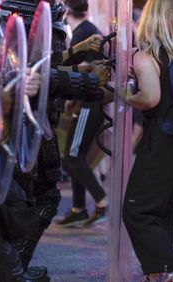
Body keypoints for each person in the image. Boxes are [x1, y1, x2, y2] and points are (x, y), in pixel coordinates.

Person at [121, 0, 173, 280]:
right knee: (161, 212)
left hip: (164, 142)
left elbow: (150, 98)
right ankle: (159, 275)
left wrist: (124, 96)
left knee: (136, 211)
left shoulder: (146, 55)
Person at [56, 0, 108, 228]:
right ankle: (78, 208)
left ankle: (102, 201)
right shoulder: (86, 31)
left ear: (66, 10)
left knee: (73, 156)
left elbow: (82, 69)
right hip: (89, 100)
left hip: (90, 102)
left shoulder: (83, 33)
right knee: (74, 155)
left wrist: (73, 95)